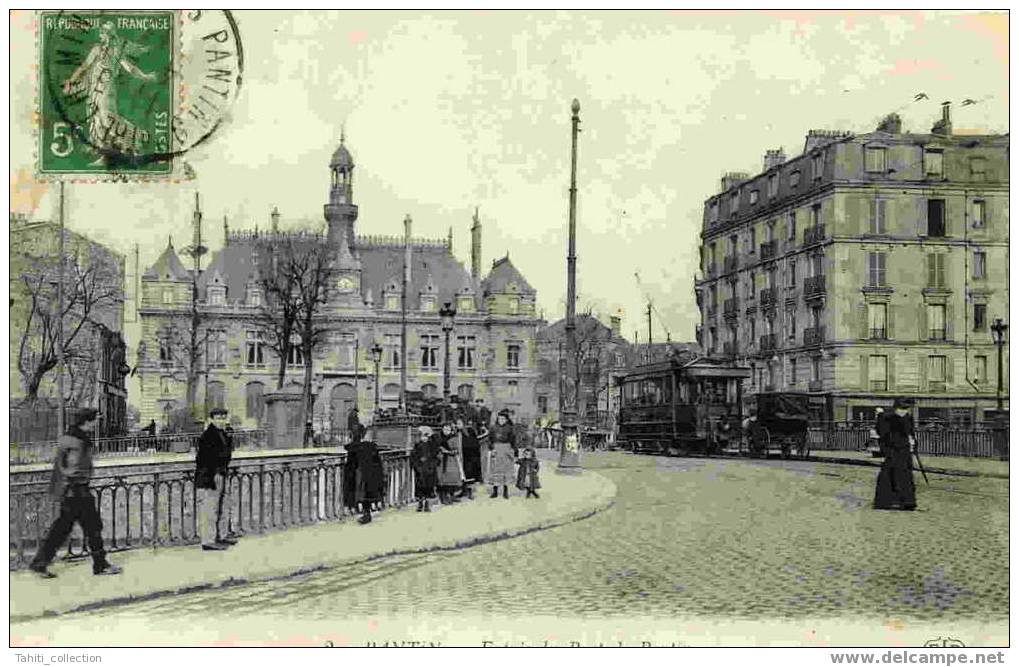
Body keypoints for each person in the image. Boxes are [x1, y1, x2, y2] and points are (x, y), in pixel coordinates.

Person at [29, 409, 122, 578]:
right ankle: (100, 565)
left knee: (64, 528)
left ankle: (40, 562)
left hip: (70, 491)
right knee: (91, 527)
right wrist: (81, 477)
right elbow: (73, 466)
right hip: (77, 490)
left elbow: (62, 465)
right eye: (94, 421)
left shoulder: (69, 438)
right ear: (87, 422)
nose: (95, 424)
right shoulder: (79, 441)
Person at [196, 408, 233, 550]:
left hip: (220, 474)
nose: (221, 421)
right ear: (211, 419)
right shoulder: (207, 435)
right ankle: (208, 541)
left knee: (222, 507)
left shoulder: (223, 434)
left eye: (223, 418)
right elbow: (202, 460)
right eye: (218, 418)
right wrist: (209, 478)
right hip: (210, 476)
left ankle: (221, 536)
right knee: (210, 509)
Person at [873, 398, 918, 511]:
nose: (904, 411)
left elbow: (910, 432)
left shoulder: (908, 418)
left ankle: (906, 502)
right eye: (902, 408)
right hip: (892, 450)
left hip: (904, 450)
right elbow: (881, 433)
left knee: (905, 477)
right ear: (896, 408)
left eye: (906, 408)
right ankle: (885, 502)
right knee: (888, 476)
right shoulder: (887, 418)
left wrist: (913, 442)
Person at [343, 422, 386, 524]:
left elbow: (350, 465)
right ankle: (367, 512)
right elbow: (377, 463)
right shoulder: (370, 446)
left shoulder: (354, 448)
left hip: (360, 475)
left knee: (359, 493)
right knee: (367, 494)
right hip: (370, 476)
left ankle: (361, 512)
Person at [488, 409, 517, 499]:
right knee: (496, 470)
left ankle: (505, 491)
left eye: (503, 419)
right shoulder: (493, 428)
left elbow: (513, 440)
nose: (501, 420)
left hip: (506, 449)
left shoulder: (510, 428)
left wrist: (514, 451)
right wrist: (491, 448)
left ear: (506, 419)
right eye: (499, 418)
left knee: (506, 471)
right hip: (496, 449)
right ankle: (495, 491)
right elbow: (490, 439)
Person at [411, 426, 439, 512]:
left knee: (428, 488)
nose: (424, 438)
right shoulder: (417, 446)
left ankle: (427, 504)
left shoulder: (432, 445)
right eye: (422, 436)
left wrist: (433, 465)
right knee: (420, 488)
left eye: (426, 436)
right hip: (420, 470)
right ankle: (420, 504)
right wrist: (417, 466)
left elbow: (436, 455)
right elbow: (413, 457)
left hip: (430, 469)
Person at [436, 422, 464, 504]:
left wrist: (448, 451)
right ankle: (443, 496)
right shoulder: (439, 438)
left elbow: (457, 450)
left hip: (451, 460)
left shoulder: (453, 438)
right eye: (444, 429)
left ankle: (451, 495)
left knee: (452, 477)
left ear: (451, 430)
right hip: (442, 461)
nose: (446, 431)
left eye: (448, 429)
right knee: (442, 479)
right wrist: (440, 450)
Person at [457, 417, 481, 500]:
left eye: (459, 423)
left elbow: (474, 443)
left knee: (469, 473)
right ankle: (463, 490)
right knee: (462, 474)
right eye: (457, 424)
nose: (458, 425)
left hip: (470, 456)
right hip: (461, 456)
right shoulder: (457, 433)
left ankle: (470, 492)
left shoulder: (469, 432)